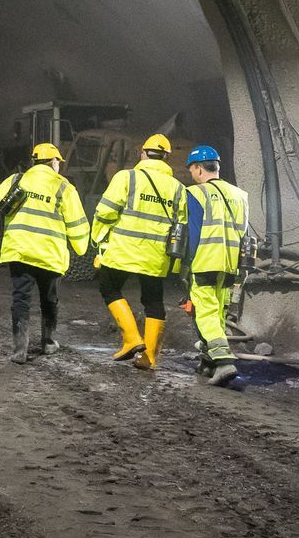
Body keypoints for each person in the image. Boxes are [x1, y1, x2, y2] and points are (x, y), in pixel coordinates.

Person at [89, 132, 188, 371]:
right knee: (153, 300)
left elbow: (105, 212)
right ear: (166, 158)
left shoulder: (127, 177)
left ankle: (132, 339)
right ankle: (150, 358)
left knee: (109, 287)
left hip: (124, 251)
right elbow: (180, 227)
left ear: (143, 153)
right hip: (157, 256)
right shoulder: (178, 188)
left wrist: (98, 241)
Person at [0, 142, 92, 364]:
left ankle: (20, 350)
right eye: (58, 162)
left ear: (34, 161)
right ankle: (47, 343)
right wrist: (81, 248)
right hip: (49, 255)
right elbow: (77, 223)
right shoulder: (64, 187)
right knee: (49, 300)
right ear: (54, 162)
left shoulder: (16, 180)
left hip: (19, 251)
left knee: (21, 299)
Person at [183, 145, 249, 387]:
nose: (191, 174)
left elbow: (193, 231)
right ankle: (209, 362)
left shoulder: (196, 193)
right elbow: (244, 234)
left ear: (200, 168)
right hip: (230, 264)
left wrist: (186, 264)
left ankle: (223, 363)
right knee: (219, 313)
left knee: (205, 312)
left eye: (192, 169)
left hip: (206, 259)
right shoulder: (240, 195)